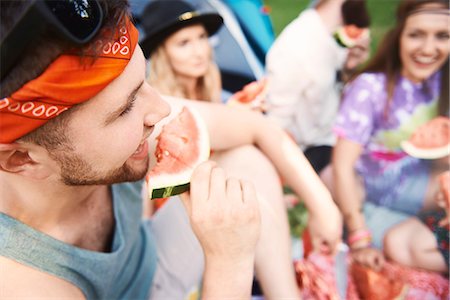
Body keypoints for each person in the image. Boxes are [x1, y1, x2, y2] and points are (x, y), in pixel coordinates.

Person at [0, 1, 341, 299]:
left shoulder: (122, 131)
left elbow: (257, 127)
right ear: (22, 158)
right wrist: (229, 265)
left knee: (244, 160)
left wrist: (323, 207)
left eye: (143, 81)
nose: (161, 110)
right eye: (123, 109)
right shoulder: (22, 282)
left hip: (155, 266)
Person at [138, 1, 334, 298]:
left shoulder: (220, 95)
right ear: (163, 54)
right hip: (180, 226)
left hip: (227, 215)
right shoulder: (159, 111)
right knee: (245, 155)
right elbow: (143, 203)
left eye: (202, 38)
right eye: (184, 43)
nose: (199, 50)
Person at [327, 0, 449, 271]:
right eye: (416, 34)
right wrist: (359, 237)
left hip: (429, 202)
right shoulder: (370, 89)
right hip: (381, 199)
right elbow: (343, 166)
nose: (428, 49)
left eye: (442, 36)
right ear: (399, 37)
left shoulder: (444, 82)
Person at [264, 0, 371, 174]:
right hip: (309, 150)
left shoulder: (333, 32)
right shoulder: (295, 47)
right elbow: (276, 119)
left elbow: (335, 90)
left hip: (335, 135)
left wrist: (350, 67)